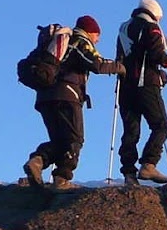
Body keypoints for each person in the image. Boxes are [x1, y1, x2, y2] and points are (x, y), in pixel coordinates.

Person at [22, 17, 123, 191]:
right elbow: (97, 64)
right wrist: (120, 67)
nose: (97, 40)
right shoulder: (80, 41)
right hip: (67, 95)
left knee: (60, 140)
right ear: (91, 32)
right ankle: (62, 179)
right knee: (75, 139)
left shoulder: (56, 43)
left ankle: (38, 161)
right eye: (97, 36)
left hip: (44, 97)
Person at [114, 0, 167, 185]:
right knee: (161, 126)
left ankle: (129, 173)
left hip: (125, 87)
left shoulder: (123, 29)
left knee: (131, 131)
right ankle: (148, 165)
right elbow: (157, 54)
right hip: (146, 85)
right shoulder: (152, 28)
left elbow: (122, 56)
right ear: (155, 14)